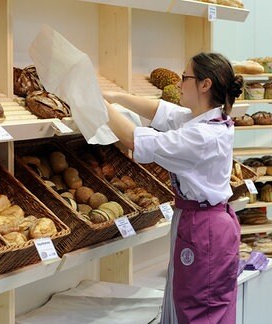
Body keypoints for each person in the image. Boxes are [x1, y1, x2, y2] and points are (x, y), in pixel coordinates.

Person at [102, 52, 244, 323]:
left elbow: (134, 139)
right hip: (209, 222)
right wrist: (116, 97)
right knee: (204, 304)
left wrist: (90, 99)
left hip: (204, 230)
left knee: (197, 309)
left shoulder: (202, 136)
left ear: (205, 84)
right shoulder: (209, 121)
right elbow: (161, 112)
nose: (179, 84)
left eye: (185, 77)